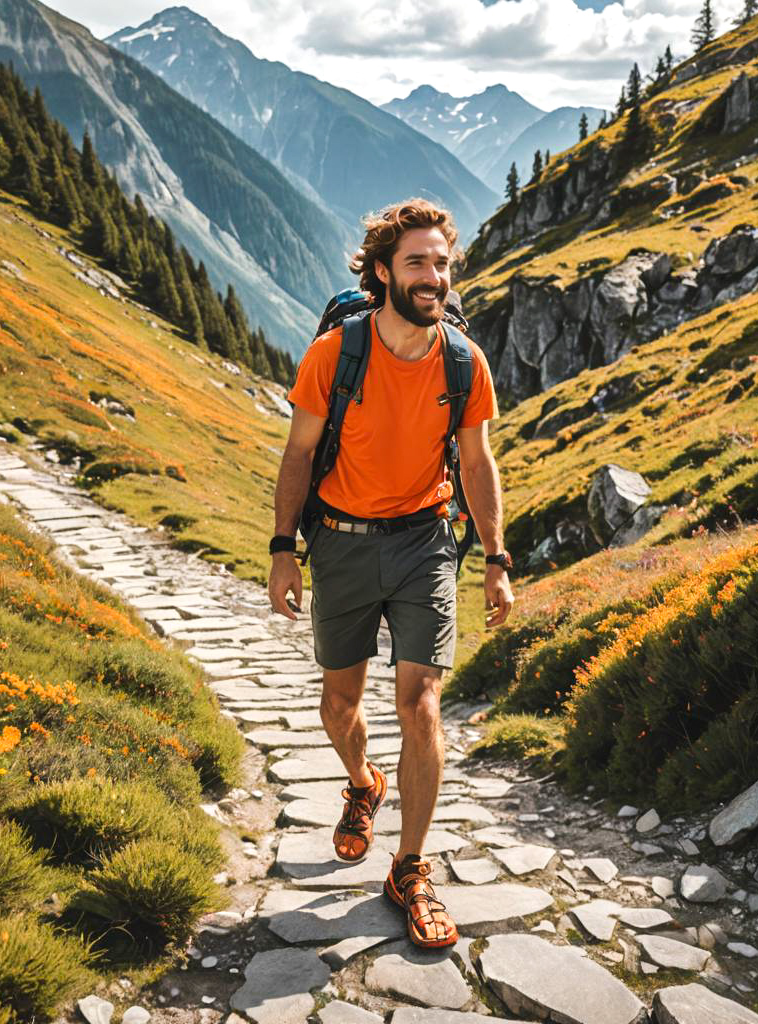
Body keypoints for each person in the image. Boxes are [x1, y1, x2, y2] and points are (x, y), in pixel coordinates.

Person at [268, 198, 514, 948]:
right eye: (416, 263)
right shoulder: (335, 354)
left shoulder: (464, 361)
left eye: (441, 263)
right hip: (339, 540)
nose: (433, 276)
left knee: (422, 703)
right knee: (340, 702)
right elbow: (300, 454)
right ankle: (363, 781)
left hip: (424, 543)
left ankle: (410, 866)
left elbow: (476, 462)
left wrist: (497, 561)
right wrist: (284, 548)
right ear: (382, 273)